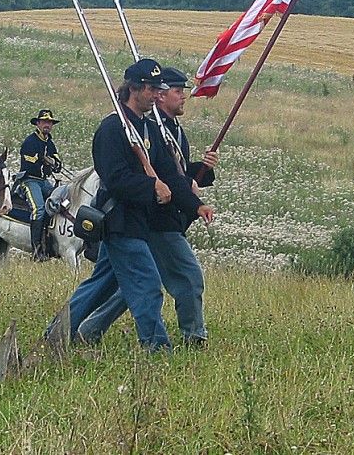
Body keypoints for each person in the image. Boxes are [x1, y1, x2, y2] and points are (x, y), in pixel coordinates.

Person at [55, 59, 212, 353]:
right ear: (135, 89)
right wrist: (150, 186)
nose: (157, 95)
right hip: (120, 222)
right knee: (148, 285)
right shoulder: (113, 129)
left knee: (99, 287)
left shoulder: (147, 128)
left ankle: (56, 334)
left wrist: (195, 205)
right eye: (152, 89)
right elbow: (114, 178)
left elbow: (169, 174)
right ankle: (156, 347)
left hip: (140, 221)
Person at [19, 109, 62, 261]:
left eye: (49, 122)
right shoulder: (30, 141)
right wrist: (43, 160)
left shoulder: (49, 142)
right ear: (38, 123)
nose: (47, 125)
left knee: (59, 202)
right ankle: (36, 250)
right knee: (39, 208)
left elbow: (58, 164)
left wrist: (53, 162)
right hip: (29, 180)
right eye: (44, 122)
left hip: (44, 181)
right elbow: (28, 163)